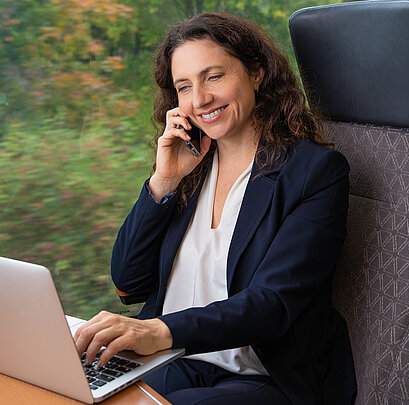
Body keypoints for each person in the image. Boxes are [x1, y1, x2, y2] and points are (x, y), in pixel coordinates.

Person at [72, 13, 357, 405]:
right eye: (184, 86)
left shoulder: (314, 173)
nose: (200, 99)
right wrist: (163, 182)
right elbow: (128, 283)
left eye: (214, 76)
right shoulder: (190, 167)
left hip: (260, 377)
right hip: (172, 362)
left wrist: (159, 331)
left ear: (256, 73)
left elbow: (271, 305)